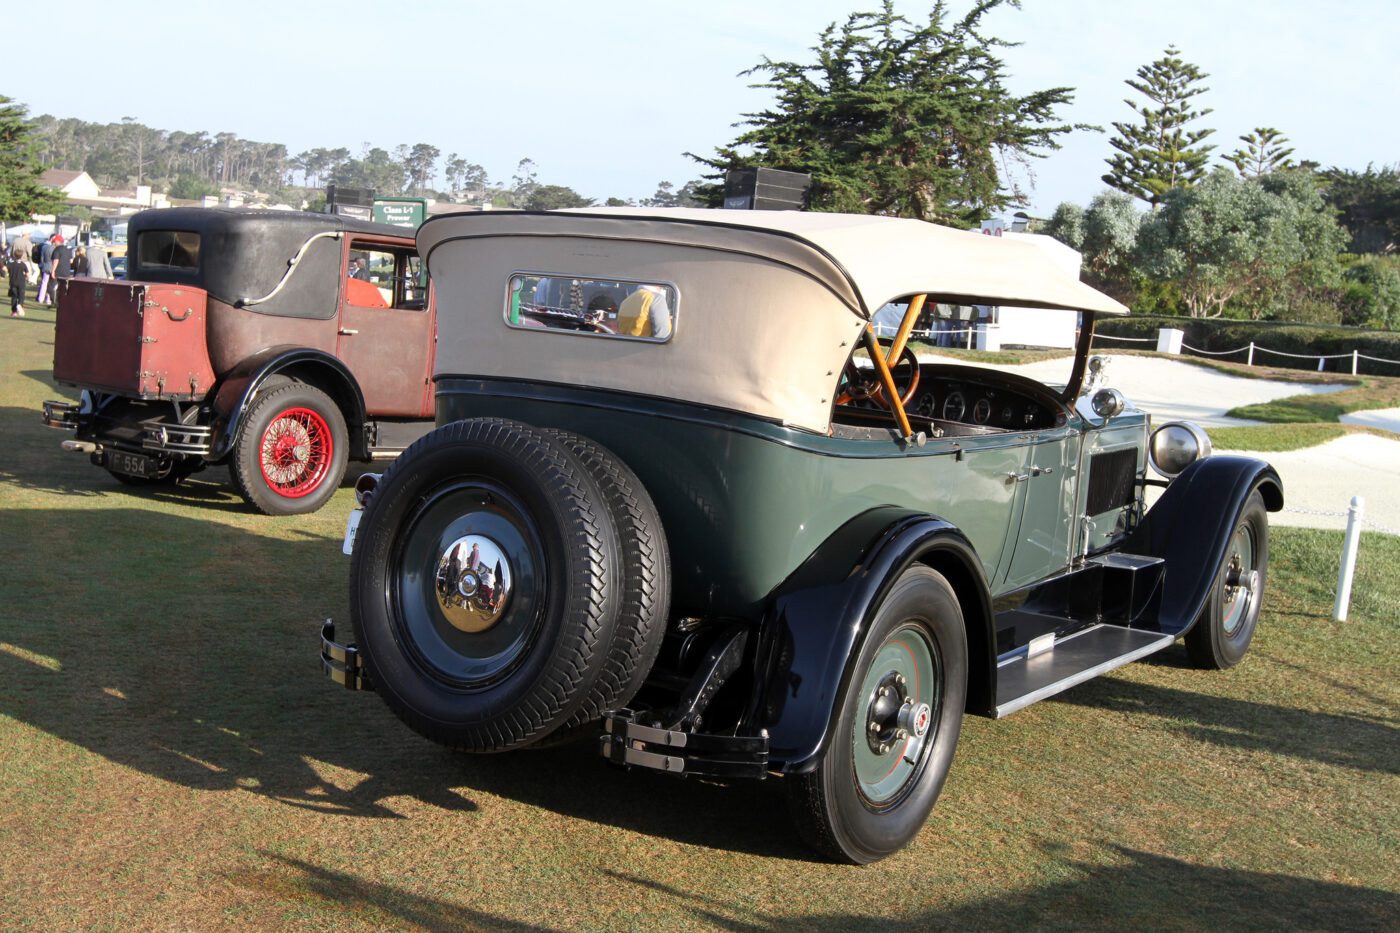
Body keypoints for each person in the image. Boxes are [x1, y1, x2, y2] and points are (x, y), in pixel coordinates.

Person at [7, 248, 28, 317]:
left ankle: (14, 312)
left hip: (13, 282)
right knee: (21, 295)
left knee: (14, 297)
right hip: (21, 282)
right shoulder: (22, 264)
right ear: (21, 256)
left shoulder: (10, 263)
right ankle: (20, 304)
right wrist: (25, 276)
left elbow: (6, 269)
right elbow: (27, 273)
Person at [37, 235, 57, 305]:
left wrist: (42, 265)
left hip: (45, 266)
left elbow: (42, 258)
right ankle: (49, 299)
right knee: (51, 284)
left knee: (44, 283)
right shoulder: (55, 249)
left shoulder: (44, 247)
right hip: (52, 267)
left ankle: (40, 298)